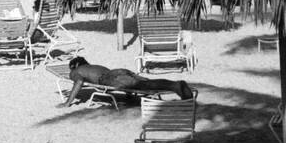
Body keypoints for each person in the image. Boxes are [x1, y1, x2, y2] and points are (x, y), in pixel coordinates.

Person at [64, 57, 194, 106]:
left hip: (110, 78)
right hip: (117, 72)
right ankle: (175, 85)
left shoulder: (76, 71)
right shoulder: (93, 67)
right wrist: (129, 95)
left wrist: (68, 102)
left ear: (74, 66)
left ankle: (176, 86)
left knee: (145, 85)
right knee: (147, 82)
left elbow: (79, 83)